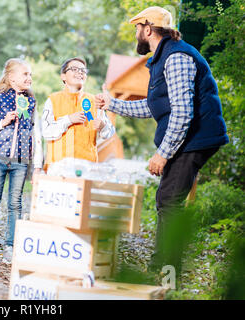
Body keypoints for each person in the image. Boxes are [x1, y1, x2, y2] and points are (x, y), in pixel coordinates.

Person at [94, 6, 229, 273]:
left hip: (196, 137)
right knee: (166, 198)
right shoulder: (162, 58)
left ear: (147, 28)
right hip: (189, 136)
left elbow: (182, 112)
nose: (135, 33)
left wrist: (163, 154)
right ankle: (162, 265)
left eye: (137, 28)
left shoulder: (177, 57)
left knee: (169, 200)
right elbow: (154, 107)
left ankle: (170, 271)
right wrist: (112, 104)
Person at [0, 58, 43, 264]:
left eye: (30, 75)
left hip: (21, 161)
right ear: (11, 77)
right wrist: (2, 122)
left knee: (15, 204)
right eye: (25, 74)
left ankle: (10, 248)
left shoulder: (31, 101)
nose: (29, 78)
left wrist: (37, 164)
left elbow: (36, 133)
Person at [42, 57, 115, 174]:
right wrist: (68, 120)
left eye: (83, 70)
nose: (80, 72)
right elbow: (46, 132)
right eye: (74, 69)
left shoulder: (94, 101)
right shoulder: (53, 100)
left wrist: (102, 126)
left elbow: (109, 133)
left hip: (87, 168)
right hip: (58, 168)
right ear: (63, 76)